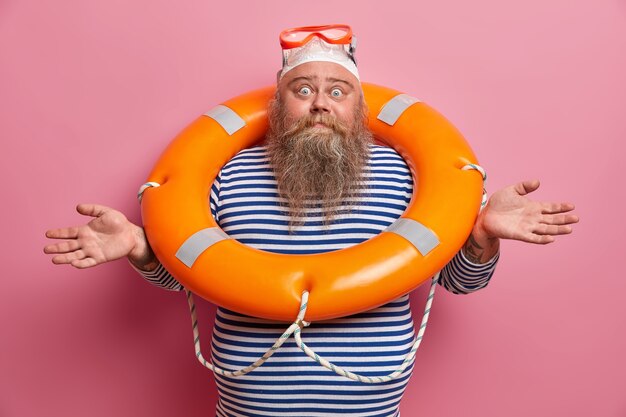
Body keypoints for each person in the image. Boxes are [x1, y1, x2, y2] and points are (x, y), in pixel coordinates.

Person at [44, 25, 578, 417]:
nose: (320, 103)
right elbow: (197, 273)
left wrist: (483, 235)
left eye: (336, 91)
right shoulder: (225, 176)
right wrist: (141, 247)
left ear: (358, 108)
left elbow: (458, 282)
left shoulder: (406, 175)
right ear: (278, 105)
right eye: (302, 91)